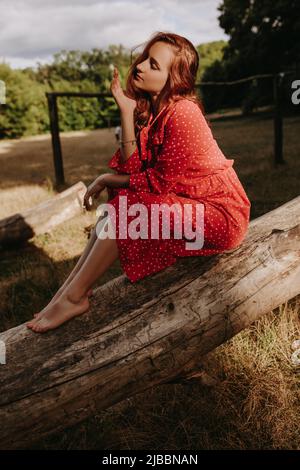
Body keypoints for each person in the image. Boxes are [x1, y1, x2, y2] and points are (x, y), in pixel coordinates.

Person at [26, 31, 251, 333]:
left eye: (154, 65)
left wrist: (107, 177)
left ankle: (74, 296)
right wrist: (126, 111)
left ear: (175, 80)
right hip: (192, 206)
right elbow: (134, 168)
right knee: (118, 203)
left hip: (220, 215)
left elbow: (157, 185)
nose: (141, 66)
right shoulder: (156, 112)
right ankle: (65, 295)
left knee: (130, 206)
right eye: (145, 58)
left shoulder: (183, 112)